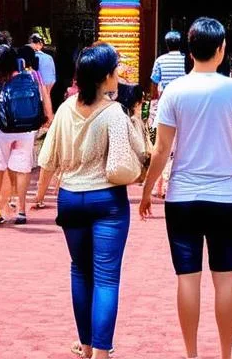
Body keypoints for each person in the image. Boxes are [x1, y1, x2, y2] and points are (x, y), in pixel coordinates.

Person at [140, 18, 232, 359]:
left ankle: (191, 353)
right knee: (226, 278)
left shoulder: (173, 91)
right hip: (225, 197)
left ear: (189, 51)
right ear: (221, 50)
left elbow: (161, 149)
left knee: (187, 278)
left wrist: (148, 190)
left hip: (182, 198)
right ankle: (225, 354)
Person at [38, 42, 148, 359]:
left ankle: (86, 345)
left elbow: (48, 159)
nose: (118, 73)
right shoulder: (113, 113)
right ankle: (101, 351)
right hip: (107, 200)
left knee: (80, 271)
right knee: (107, 277)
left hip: (70, 197)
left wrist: (39, 196)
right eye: (115, 69)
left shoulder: (66, 109)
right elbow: (133, 154)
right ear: (105, 76)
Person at [0, 44, 51, 225]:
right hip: (25, 129)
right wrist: (48, 116)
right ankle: (21, 209)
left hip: (0, 128)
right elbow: (43, 95)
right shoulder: (31, 76)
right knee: (22, 168)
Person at [150, 29, 187, 98]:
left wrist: (155, 100)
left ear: (166, 44)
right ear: (180, 44)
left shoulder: (160, 60)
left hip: (166, 98)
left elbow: (154, 83)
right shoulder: (186, 60)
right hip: (183, 98)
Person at [29, 32, 57, 98]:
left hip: (32, 96)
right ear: (40, 44)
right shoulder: (49, 58)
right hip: (47, 95)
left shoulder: (27, 58)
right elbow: (52, 80)